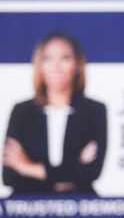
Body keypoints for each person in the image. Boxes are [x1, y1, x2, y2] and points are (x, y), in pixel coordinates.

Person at [2, 32, 107, 194]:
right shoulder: (22, 112)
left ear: (77, 65)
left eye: (65, 58)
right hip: (28, 206)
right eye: (48, 58)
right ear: (40, 66)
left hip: (77, 205)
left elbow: (91, 173)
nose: (56, 66)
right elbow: (10, 176)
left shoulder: (94, 111)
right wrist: (71, 170)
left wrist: (26, 167)